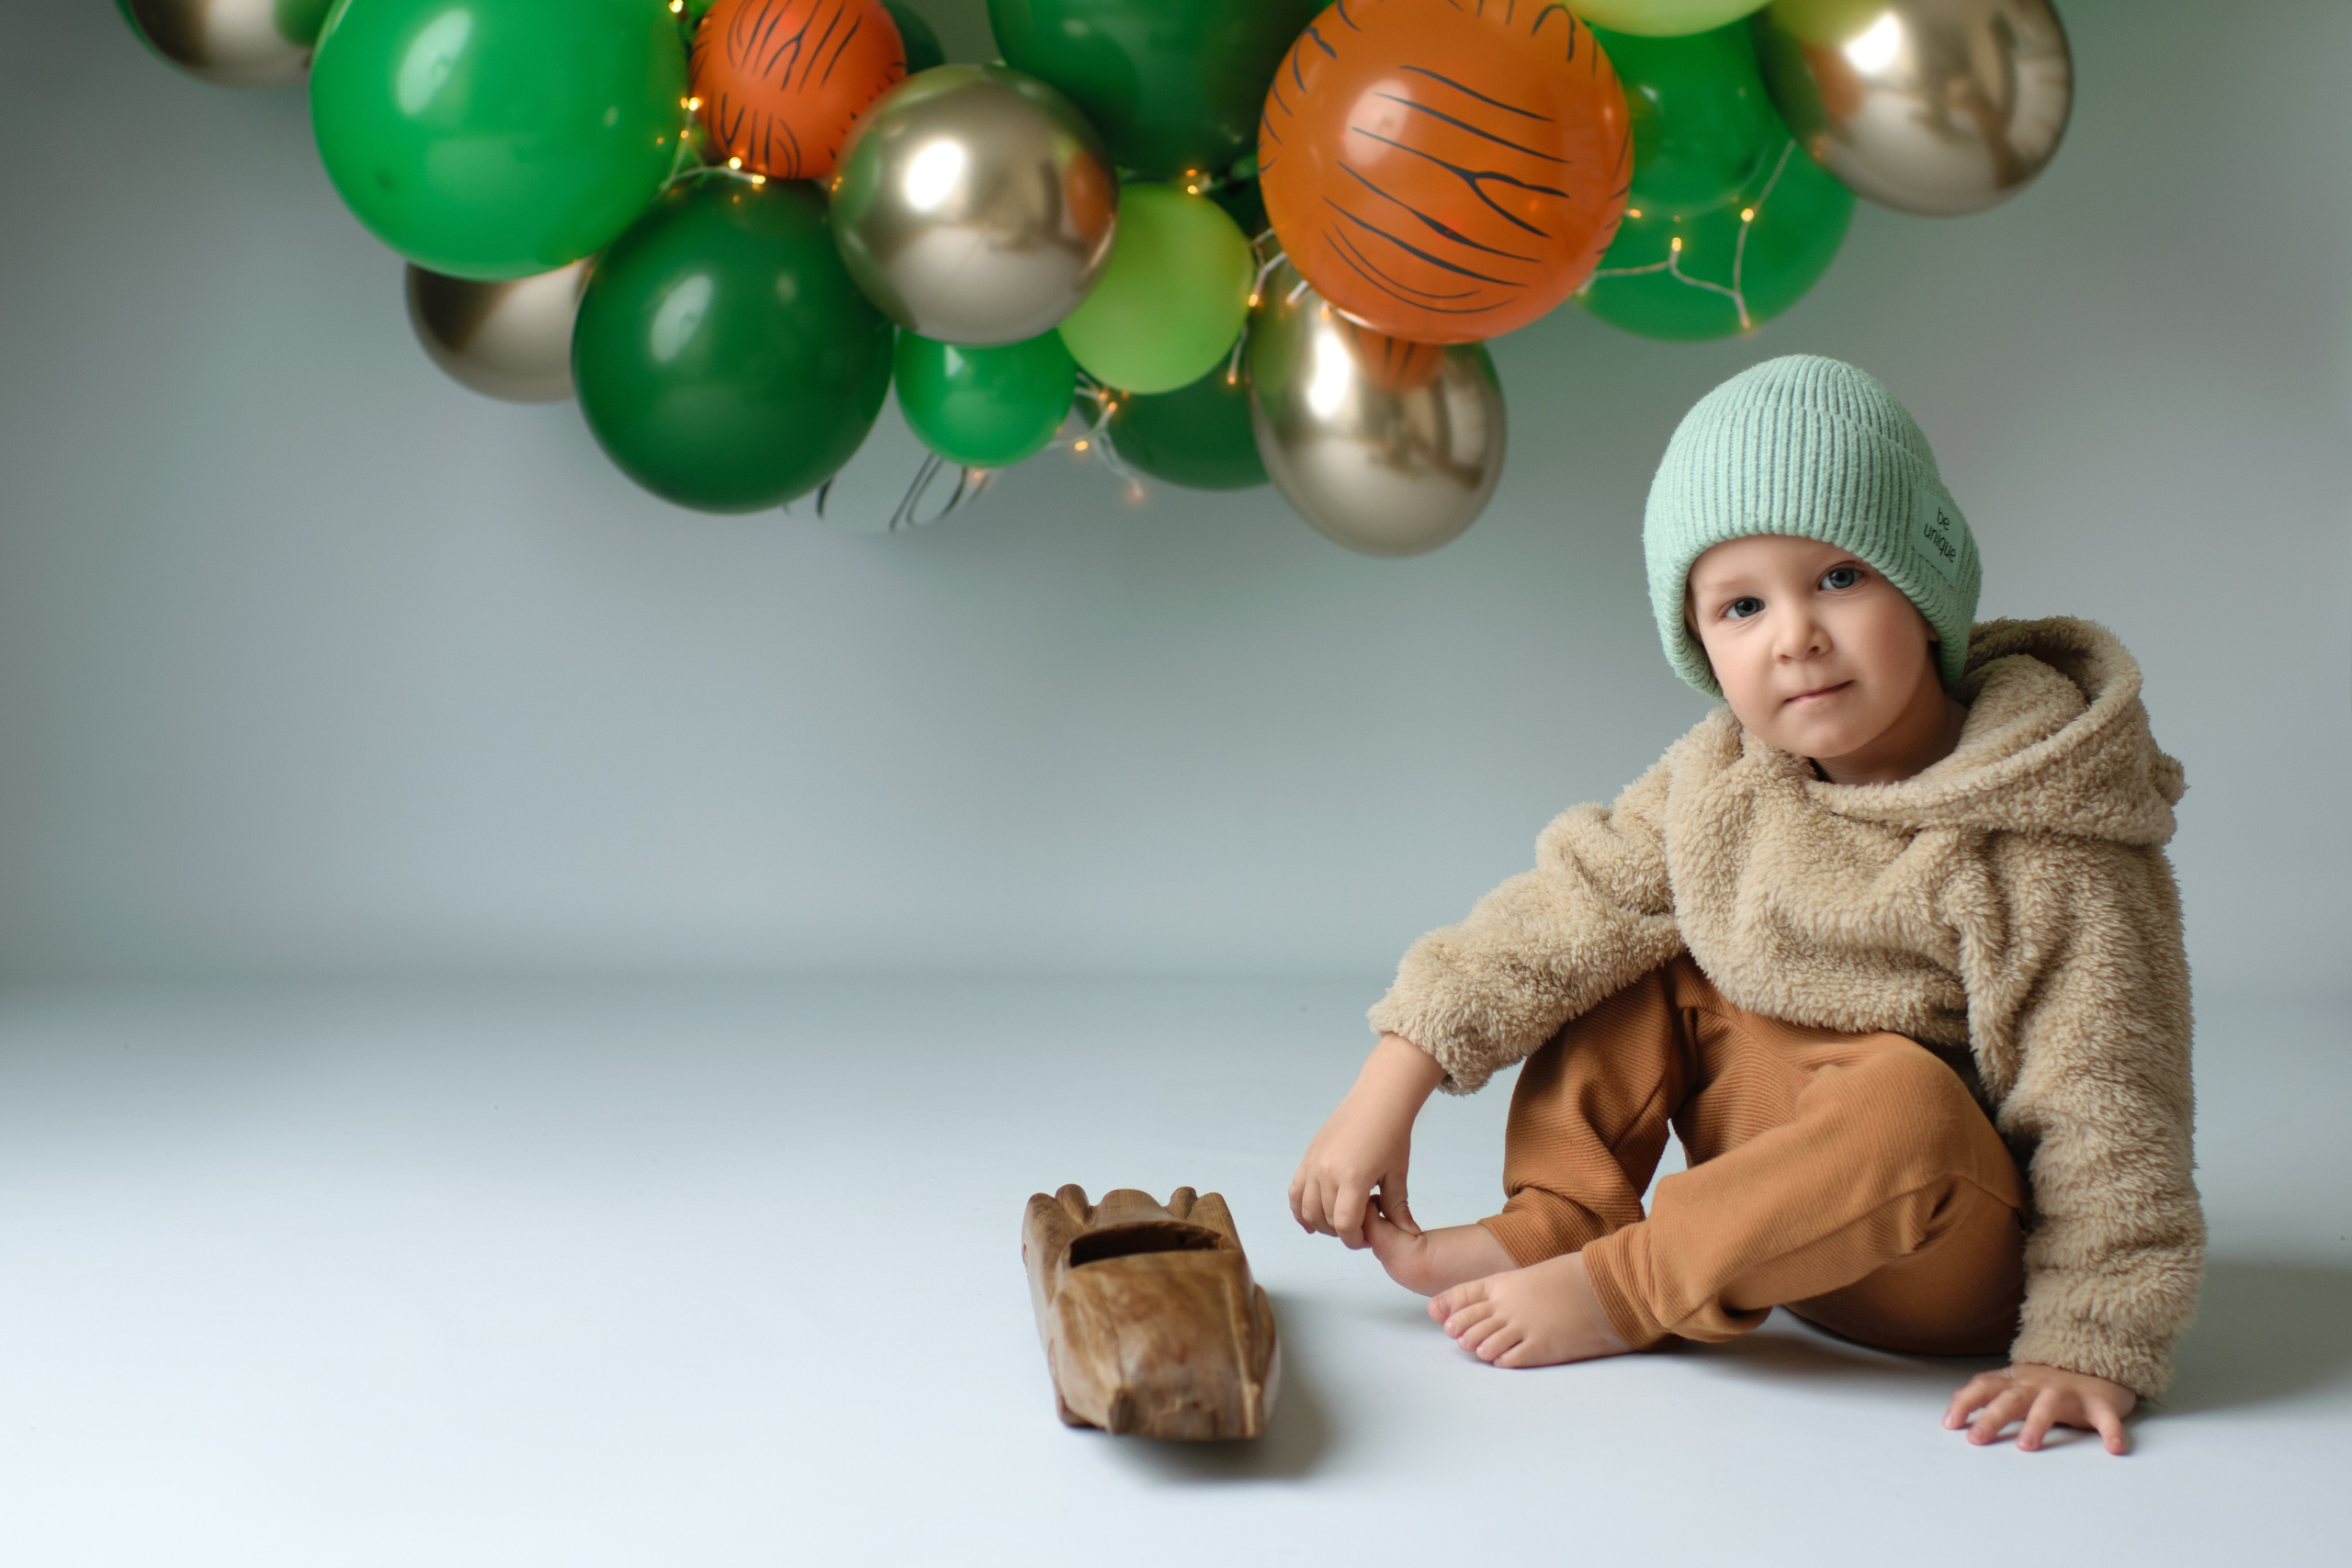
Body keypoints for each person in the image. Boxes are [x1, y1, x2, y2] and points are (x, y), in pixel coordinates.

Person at [1291, 355, 2200, 1456]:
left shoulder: (2043, 825)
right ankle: (1562, 1217)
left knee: (1904, 1096)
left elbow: (2112, 1100)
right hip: (1763, 1234)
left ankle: (1617, 1287)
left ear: (1926, 583)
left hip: (1938, 1247)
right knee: (1629, 941)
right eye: (1740, 605)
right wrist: (1391, 1080)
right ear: (1701, 643)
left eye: (1839, 579)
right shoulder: (1723, 780)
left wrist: (2087, 1344)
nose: (1794, 637)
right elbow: (1557, 912)